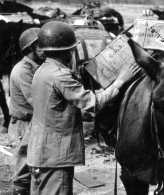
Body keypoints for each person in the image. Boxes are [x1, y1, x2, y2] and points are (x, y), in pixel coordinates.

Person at [26, 21, 140, 195]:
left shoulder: (42, 71)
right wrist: (120, 81)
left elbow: (53, 108)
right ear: (68, 51)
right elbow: (93, 102)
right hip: (55, 155)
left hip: (41, 153)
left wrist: (77, 114)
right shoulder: (60, 76)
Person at [8, 27, 46, 195]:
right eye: (41, 47)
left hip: (32, 123)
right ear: (30, 48)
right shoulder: (23, 70)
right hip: (23, 126)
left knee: (36, 170)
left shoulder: (36, 67)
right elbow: (37, 102)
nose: (46, 51)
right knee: (23, 173)